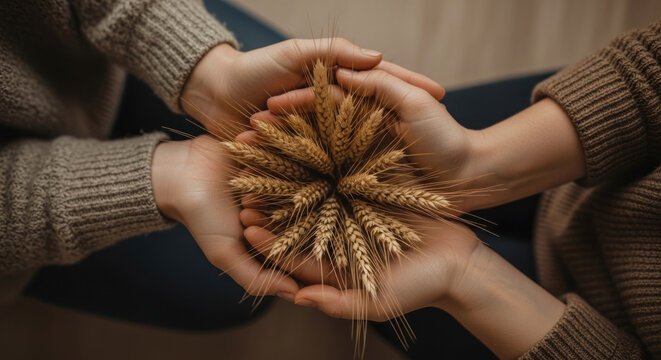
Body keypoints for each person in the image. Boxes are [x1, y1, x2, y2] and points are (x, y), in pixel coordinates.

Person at [0, 0, 448, 330]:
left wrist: (211, 77)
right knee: (220, 294)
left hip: (77, 43)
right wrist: (167, 179)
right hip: (22, 224)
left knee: (354, 117)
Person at [243, 21, 661, 358]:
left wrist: (463, 277)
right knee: (278, 104)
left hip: (562, 330)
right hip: (609, 141)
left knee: (200, 294)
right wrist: (478, 163)